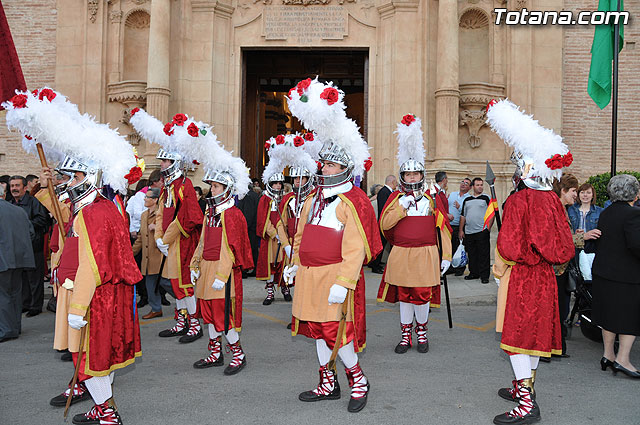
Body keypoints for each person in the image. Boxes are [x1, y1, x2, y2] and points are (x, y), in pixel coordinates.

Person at [4, 87, 144, 424]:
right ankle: (102, 407)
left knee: (91, 358)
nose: (70, 182)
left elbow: (92, 266)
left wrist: (78, 308)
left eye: (75, 177)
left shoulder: (96, 212)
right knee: (98, 358)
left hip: (93, 295)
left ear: (92, 179)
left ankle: (107, 413)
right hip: (104, 294)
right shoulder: (100, 208)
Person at [285, 77, 382, 413]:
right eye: (322, 163)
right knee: (316, 330)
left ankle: (358, 380)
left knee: (336, 331)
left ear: (344, 168)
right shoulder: (315, 196)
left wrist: (344, 283)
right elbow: (302, 234)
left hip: (334, 278)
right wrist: (295, 262)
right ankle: (328, 382)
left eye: (329, 164)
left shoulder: (350, 200)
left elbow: (355, 247)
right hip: (309, 275)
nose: (322, 167)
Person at [487, 99, 575, 424]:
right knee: (534, 336)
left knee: (518, 339)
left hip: (523, 276)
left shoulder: (522, 199)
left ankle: (526, 403)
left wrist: (501, 269)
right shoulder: (552, 199)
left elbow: (508, 245)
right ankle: (525, 386)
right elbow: (564, 247)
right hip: (546, 277)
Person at [377, 114, 451, 354]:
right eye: (408, 175)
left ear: (421, 176)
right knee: (405, 296)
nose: (412, 178)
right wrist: (402, 207)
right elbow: (385, 225)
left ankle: (422, 334)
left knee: (422, 295)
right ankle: (405, 336)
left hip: (426, 253)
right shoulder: (395, 198)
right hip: (402, 253)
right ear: (402, 177)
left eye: (416, 174)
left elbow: (444, 230)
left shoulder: (431, 199)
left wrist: (447, 256)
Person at [130, 108, 205, 344]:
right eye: (162, 160)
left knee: (185, 287)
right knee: (175, 285)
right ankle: (181, 321)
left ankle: (194, 326)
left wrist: (167, 237)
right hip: (171, 244)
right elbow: (161, 213)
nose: (162, 164)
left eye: (165, 160)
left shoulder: (185, 185)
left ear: (176, 162)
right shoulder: (169, 188)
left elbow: (190, 217)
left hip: (183, 243)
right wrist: (161, 237)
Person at [188, 133, 253, 374]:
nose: (211, 190)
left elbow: (232, 249)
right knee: (209, 315)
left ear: (227, 189)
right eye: (211, 186)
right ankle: (215, 353)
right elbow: (202, 241)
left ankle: (238, 354)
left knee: (225, 318)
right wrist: (194, 265)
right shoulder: (210, 213)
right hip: (206, 271)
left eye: (215, 186)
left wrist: (222, 275)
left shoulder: (232, 214)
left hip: (222, 276)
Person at [587, 174, 640, 379]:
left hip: (603, 272)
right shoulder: (634, 214)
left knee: (608, 315)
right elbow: (636, 245)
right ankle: (623, 360)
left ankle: (608, 355)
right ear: (634, 193)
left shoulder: (606, 212)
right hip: (626, 275)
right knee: (629, 318)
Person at [10, 175, 50, 316]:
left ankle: (36, 306)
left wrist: (24, 225)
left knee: (35, 279)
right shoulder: (10, 203)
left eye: (17, 185)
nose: (14, 188)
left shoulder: (34, 202)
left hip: (33, 245)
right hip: (17, 247)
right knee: (22, 278)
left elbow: (43, 220)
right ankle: (25, 304)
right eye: (12, 186)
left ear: (25, 187)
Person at [0, 183, 35, 342]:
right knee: (15, 293)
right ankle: (14, 326)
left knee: (4, 295)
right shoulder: (19, 210)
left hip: (3, 259)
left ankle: (7, 329)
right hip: (20, 258)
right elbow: (31, 233)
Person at [132, 188, 165, 319]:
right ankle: (156, 309)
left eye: (148, 197)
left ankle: (187, 302)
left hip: (159, 257)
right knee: (150, 286)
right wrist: (131, 253)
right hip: (148, 258)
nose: (145, 199)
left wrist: (157, 227)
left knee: (167, 283)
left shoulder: (160, 214)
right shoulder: (144, 215)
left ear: (155, 200)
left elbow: (168, 231)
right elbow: (140, 237)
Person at [256, 173, 286, 305]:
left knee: (284, 265)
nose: (278, 186)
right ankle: (270, 292)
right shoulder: (265, 199)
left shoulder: (285, 198)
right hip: (270, 240)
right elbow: (263, 219)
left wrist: (284, 235)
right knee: (271, 265)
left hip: (284, 238)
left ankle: (285, 289)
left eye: (279, 183)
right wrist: (274, 233)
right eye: (275, 183)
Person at [459, 177, 492, 283]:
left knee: (483, 254)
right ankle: (473, 273)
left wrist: (488, 228)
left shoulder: (486, 198)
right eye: (477, 185)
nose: (480, 187)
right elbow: (463, 216)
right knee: (472, 254)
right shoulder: (467, 200)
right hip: (469, 231)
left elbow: (492, 214)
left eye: (481, 185)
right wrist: (461, 230)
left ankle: (484, 276)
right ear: (473, 187)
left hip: (482, 231)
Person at [126, 178, 149, 309]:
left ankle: (147, 295)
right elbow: (132, 213)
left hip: (141, 233)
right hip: (138, 234)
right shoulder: (138, 196)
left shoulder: (138, 196)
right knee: (139, 265)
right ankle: (142, 294)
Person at [370, 175, 396, 274]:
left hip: (384, 222)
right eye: (396, 182)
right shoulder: (385, 191)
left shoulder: (386, 191)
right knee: (380, 246)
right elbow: (385, 209)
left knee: (382, 244)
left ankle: (377, 263)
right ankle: (375, 266)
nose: (396, 184)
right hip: (383, 222)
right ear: (392, 182)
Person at [448, 178, 472, 275]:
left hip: (460, 226)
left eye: (466, 183)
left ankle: (459, 269)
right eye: (462, 182)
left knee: (460, 247)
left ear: (470, 187)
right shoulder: (452, 194)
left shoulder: (469, 198)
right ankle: (450, 267)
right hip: (449, 225)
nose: (463, 184)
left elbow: (467, 212)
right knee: (450, 247)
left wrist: (460, 207)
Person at [237, 183, 261, 277]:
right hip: (252, 227)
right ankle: (254, 269)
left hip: (250, 228)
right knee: (253, 248)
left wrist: (244, 228)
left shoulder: (248, 196)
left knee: (249, 249)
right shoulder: (253, 195)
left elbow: (248, 213)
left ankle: (247, 270)